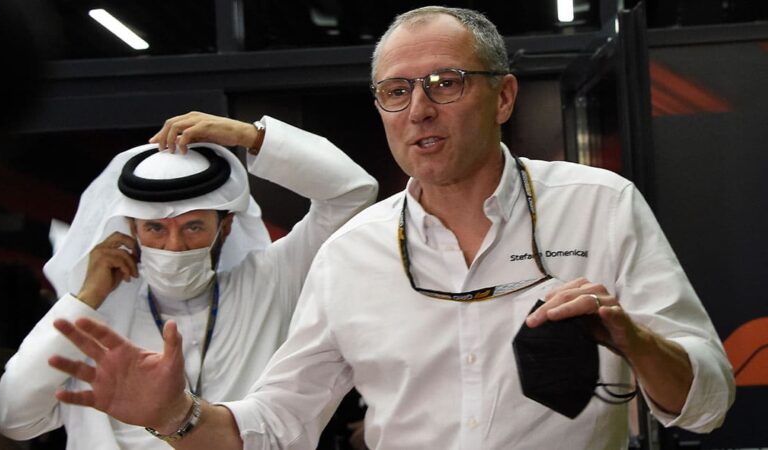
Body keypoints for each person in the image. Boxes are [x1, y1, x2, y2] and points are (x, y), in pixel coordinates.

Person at [45, 6, 735, 449]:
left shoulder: (599, 205)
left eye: (445, 83)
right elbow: (278, 423)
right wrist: (175, 416)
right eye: (396, 92)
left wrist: (634, 340)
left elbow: (705, 403)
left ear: (504, 96)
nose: (418, 111)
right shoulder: (353, 254)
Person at [0, 111, 378, 448]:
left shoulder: (270, 280)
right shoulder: (96, 319)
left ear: (224, 228)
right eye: (155, 228)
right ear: (131, 230)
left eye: (193, 226)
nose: (174, 245)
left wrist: (250, 136)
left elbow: (351, 193)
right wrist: (85, 299)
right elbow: (13, 418)